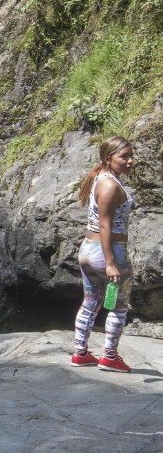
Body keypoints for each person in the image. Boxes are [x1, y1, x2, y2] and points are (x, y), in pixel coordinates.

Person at [71, 136, 135, 372]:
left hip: (88, 250)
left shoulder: (101, 177)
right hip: (108, 251)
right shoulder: (109, 185)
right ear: (108, 159)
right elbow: (105, 225)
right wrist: (111, 263)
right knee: (119, 306)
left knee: (91, 301)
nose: (130, 161)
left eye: (130, 155)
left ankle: (80, 353)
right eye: (124, 156)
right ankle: (109, 356)